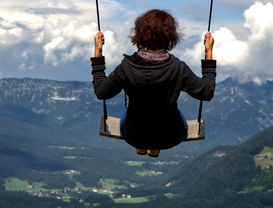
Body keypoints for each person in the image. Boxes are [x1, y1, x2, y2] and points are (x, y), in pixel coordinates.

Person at [91, 8, 216, 157]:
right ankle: (155, 147)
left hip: (134, 135)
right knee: (177, 116)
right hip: (170, 136)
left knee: (128, 115)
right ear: (170, 37)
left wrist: (98, 52)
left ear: (140, 35)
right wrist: (209, 52)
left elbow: (101, 91)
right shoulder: (178, 68)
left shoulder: (126, 68)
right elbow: (207, 92)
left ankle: (142, 145)